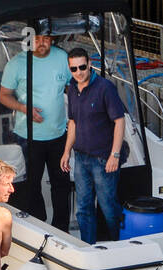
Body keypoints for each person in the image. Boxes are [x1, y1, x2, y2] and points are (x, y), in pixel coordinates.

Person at [0, 25, 73, 232]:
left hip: (59, 135)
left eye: (46, 38)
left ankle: (61, 228)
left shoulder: (62, 58)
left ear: (52, 39)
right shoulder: (16, 64)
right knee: (31, 184)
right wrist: (24, 108)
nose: (42, 43)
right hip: (27, 136)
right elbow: (4, 95)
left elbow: (72, 86)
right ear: (29, 40)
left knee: (62, 185)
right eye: (37, 38)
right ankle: (38, 225)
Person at [59, 47, 127, 243]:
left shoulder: (105, 88)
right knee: (83, 208)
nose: (78, 72)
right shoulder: (71, 88)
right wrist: (66, 152)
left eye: (82, 67)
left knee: (108, 207)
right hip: (80, 158)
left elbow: (119, 121)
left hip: (103, 159)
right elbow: (72, 122)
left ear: (89, 64)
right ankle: (88, 248)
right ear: (69, 69)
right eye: (74, 69)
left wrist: (114, 155)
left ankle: (120, 246)